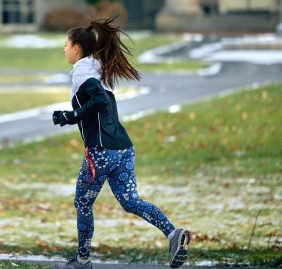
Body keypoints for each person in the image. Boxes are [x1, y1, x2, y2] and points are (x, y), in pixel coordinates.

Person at [52, 16, 191, 269]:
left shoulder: (83, 71)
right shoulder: (98, 68)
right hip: (123, 148)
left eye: (65, 44)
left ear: (76, 48)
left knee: (83, 201)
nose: (63, 49)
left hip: (101, 151)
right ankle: (173, 234)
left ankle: (82, 261)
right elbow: (99, 103)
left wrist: (70, 116)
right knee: (130, 201)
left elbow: (99, 102)